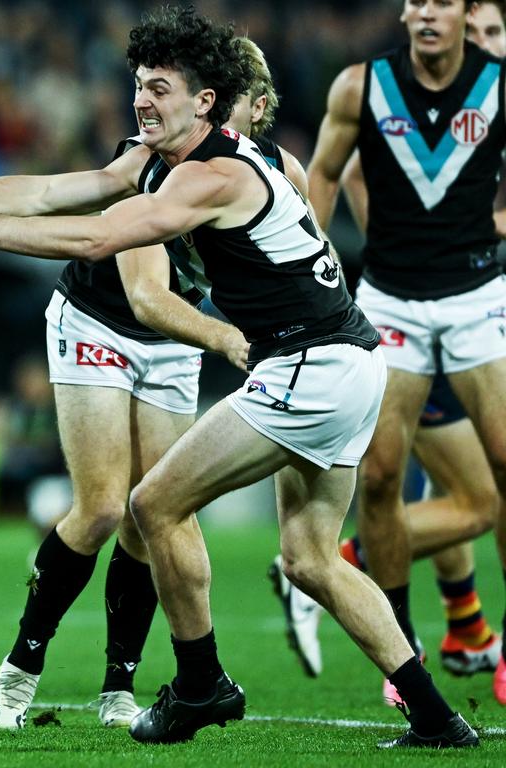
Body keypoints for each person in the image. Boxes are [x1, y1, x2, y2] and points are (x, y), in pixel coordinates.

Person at [0, 5, 477, 750]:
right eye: (138, 85)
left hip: (307, 366)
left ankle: (200, 684)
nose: (141, 99)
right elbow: (74, 193)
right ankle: (436, 718)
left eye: (158, 87)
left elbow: (97, 234)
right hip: (352, 363)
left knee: (151, 505)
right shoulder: (220, 162)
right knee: (311, 558)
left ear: (204, 102)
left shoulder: (209, 176)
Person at [273, 0, 506, 689]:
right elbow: (322, 172)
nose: (427, 13)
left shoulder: (498, 84)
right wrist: (307, 261)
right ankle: (403, 651)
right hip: (390, 299)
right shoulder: (361, 86)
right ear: (405, 13)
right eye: (417, 1)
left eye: (444, 2)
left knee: (502, 465)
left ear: (466, 15)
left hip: (475, 296)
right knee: (377, 477)